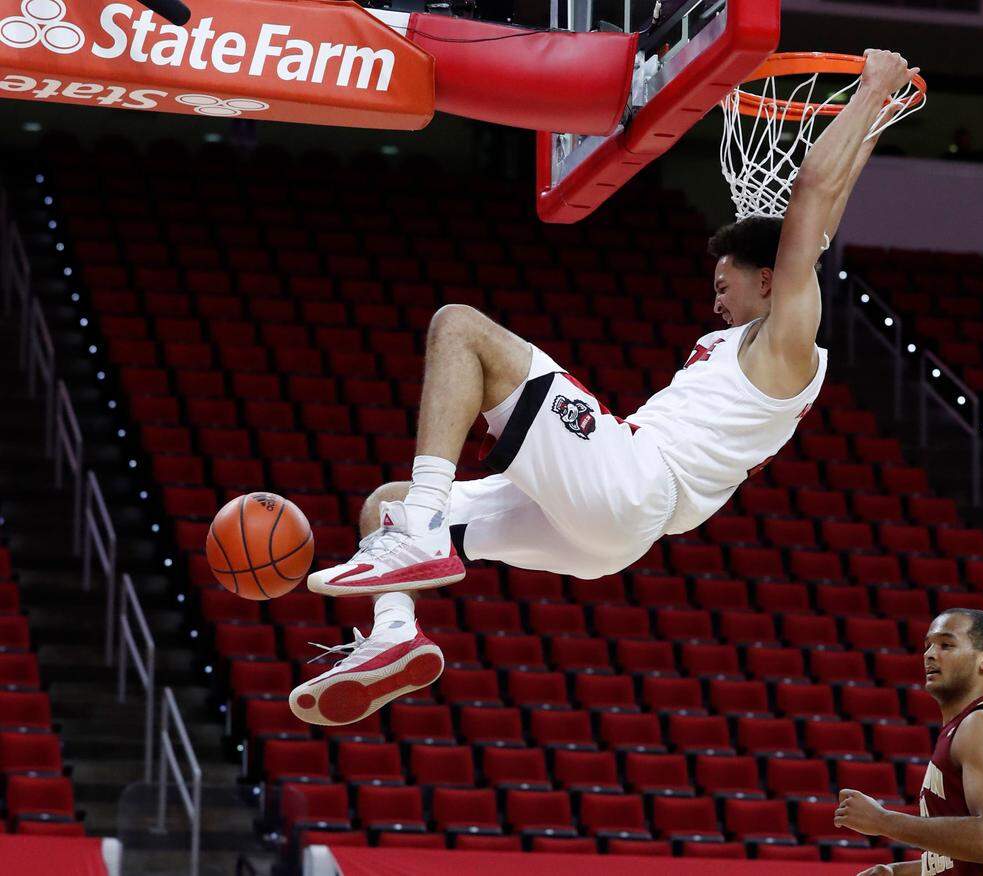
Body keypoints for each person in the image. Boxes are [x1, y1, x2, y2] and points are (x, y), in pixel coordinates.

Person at [287, 49, 918, 727]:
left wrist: (875, 86)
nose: (716, 302)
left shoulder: (788, 345)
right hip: (613, 533)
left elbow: (813, 200)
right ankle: (391, 639)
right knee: (388, 504)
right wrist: (875, 116)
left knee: (460, 329)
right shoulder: (755, 342)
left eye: (722, 283)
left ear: (769, 279)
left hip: (633, 482)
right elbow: (822, 216)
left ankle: (421, 537)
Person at [834, 609, 983, 875]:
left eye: (946, 645)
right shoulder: (961, 727)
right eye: (927, 646)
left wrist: (883, 821)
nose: (929, 654)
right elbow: (960, 862)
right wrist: (895, 873)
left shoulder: (982, 724)